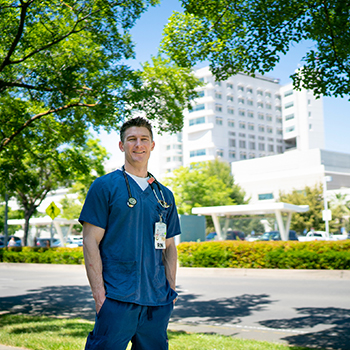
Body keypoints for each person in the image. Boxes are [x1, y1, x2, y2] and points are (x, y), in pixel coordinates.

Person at [79, 117, 181, 350]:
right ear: (121, 145)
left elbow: (169, 246)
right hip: (117, 299)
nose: (138, 145)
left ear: (152, 145)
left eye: (144, 139)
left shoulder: (164, 195)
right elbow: (89, 241)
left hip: (157, 302)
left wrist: (171, 289)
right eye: (131, 139)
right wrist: (99, 295)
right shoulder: (105, 186)